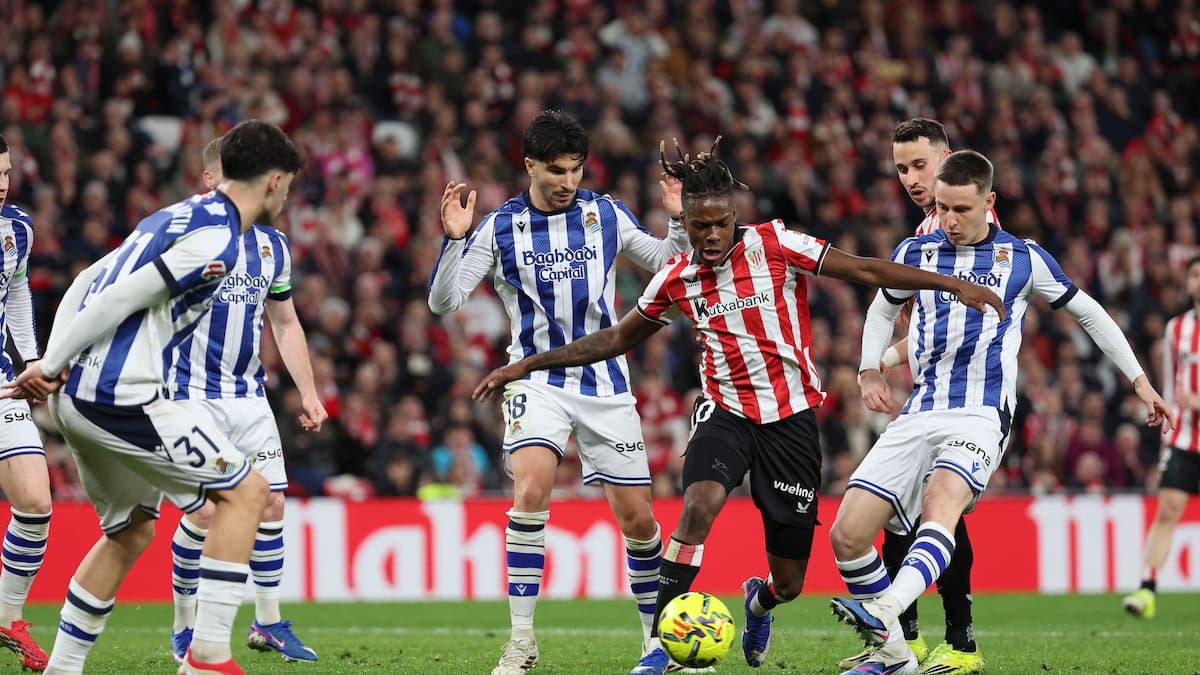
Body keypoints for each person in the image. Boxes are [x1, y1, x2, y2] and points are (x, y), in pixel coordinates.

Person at [472, 139, 1005, 675]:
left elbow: (866, 271)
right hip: (725, 413)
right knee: (696, 509)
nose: (709, 237)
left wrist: (951, 284)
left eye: (719, 224)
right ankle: (659, 648)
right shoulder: (678, 277)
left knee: (790, 580)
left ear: (735, 217)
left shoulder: (775, 244)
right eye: (698, 226)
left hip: (790, 422)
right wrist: (526, 364)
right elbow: (614, 339)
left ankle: (760, 603)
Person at [829, 150, 1173, 675]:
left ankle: (886, 609)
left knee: (940, 502)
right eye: (942, 208)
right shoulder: (916, 250)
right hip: (920, 408)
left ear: (989, 202)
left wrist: (1141, 382)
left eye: (960, 209)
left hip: (980, 413)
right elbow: (881, 309)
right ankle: (897, 655)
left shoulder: (1023, 258)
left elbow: (1090, 314)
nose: (948, 220)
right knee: (847, 534)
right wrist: (868, 369)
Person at [2, 119, 305, 675]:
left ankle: (63, 670)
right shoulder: (216, 240)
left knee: (130, 531)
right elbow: (117, 296)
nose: (286, 196)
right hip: (120, 396)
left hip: (85, 397)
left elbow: (89, 278)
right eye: (287, 185)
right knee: (247, 494)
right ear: (273, 182)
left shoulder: (179, 214)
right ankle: (208, 656)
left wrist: (56, 366)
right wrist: (48, 364)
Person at [427, 109, 691, 675]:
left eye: (575, 169)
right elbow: (444, 303)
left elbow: (670, 262)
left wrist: (677, 224)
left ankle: (653, 643)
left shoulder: (606, 214)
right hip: (534, 379)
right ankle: (521, 642)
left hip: (604, 382)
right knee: (531, 491)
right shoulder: (499, 227)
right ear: (529, 166)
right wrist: (453, 242)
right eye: (555, 170)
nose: (568, 181)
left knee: (640, 522)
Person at [838, 118, 996, 674]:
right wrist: (881, 360)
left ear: (948, 159)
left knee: (936, 512)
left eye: (920, 165)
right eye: (901, 167)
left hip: (972, 400)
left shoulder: (970, 231)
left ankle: (958, 642)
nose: (909, 177)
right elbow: (926, 324)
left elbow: (962, 326)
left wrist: (881, 360)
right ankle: (907, 641)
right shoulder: (928, 233)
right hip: (928, 398)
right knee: (902, 517)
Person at [165, 136, 327, 663]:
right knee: (209, 515)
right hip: (189, 395)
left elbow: (283, 320)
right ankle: (185, 625)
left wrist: (308, 391)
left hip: (248, 395)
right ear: (210, 179)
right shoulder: (185, 234)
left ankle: (268, 621)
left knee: (273, 502)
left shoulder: (273, 247)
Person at [1122, 254, 1200, 619]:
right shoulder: (1176, 328)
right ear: (1187, 282)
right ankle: (1147, 589)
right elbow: (1171, 382)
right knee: (1167, 510)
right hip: (1184, 437)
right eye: (1195, 275)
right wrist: (1168, 424)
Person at [0, 134, 52, 671]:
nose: (2, 184)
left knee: (36, 503)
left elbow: (16, 291)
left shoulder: (16, 228)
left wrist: (30, 359)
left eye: (7, 173)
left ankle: (7, 618)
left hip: (0, 379)